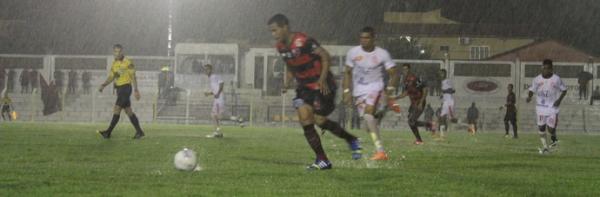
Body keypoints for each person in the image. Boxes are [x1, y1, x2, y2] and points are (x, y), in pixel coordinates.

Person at [268, 14, 361, 170]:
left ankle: (351, 139)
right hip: (304, 88)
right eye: (271, 31)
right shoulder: (280, 47)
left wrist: (323, 79)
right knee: (305, 118)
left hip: (322, 85)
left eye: (275, 30)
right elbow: (291, 66)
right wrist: (287, 83)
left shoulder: (303, 41)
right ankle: (322, 160)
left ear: (285, 26)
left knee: (319, 120)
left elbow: (325, 56)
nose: (273, 34)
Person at [343, 26, 399, 160]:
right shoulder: (353, 53)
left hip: (376, 88)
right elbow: (347, 73)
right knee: (368, 126)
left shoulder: (382, 54)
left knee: (368, 115)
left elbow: (394, 74)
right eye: (361, 37)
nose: (364, 40)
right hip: (359, 91)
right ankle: (381, 112)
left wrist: (389, 91)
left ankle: (381, 151)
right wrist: (346, 91)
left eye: (367, 37)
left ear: (374, 39)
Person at [97, 44, 145, 139]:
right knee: (128, 111)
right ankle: (139, 132)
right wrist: (103, 85)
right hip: (119, 89)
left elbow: (133, 76)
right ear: (113, 52)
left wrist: (136, 90)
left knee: (117, 108)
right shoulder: (114, 64)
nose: (117, 53)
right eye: (115, 51)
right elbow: (111, 77)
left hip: (126, 88)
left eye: (119, 51)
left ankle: (108, 132)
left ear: (122, 52)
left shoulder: (128, 62)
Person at [526, 59, 567, 154]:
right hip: (540, 107)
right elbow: (532, 90)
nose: (546, 70)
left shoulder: (556, 79)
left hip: (553, 107)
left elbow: (564, 90)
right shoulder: (537, 79)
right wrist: (529, 97)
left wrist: (559, 100)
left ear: (551, 69)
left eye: (548, 68)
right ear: (542, 68)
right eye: (544, 68)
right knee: (541, 128)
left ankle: (554, 137)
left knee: (551, 129)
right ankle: (545, 148)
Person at [395, 63, 435, 144]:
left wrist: (421, 102)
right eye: (403, 69)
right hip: (413, 104)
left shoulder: (414, 78)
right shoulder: (405, 80)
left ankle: (419, 140)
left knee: (411, 121)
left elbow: (425, 89)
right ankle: (429, 125)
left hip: (419, 102)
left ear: (409, 69)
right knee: (411, 121)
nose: (405, 71)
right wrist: (396, 97)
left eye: (406, 69)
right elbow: (406, 92)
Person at [203, 64, 225, 138]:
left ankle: (217, 132)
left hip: (219, 100)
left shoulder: (215, 76)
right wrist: (209, 94)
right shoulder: (211, 78)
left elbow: (222, 84)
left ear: (211, 70)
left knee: (216, 116)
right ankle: (218, 132)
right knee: (215, 116)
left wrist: (218, 94)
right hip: (217, 100)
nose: (205, 71)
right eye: (205, 70)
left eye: (207, 69)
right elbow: (215, 90)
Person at [439, 69, 456, 138]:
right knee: (442, 118)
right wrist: (442, 95)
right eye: (440, 74)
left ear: (445, 74)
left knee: (447, 118)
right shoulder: (442, 82)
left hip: (449, 101)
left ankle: (468, 126)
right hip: (445, 101)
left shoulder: (448, 81)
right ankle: (442, 135)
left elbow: (453, 90)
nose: (440, 75)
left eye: (441, 73)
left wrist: (444, 91)